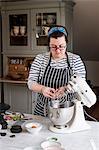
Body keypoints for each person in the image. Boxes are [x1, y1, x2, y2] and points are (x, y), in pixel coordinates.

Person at [27, 25, 86, 117]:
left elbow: (81, 84)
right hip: (43, 110)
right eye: (53, 47)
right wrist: (42, 89)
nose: (58, 51)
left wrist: (66, 89)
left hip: (67, 110)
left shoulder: (75, 60)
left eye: (61, 46)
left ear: (66, 43)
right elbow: (31, 83)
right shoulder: (40, 59)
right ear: (48, 45)